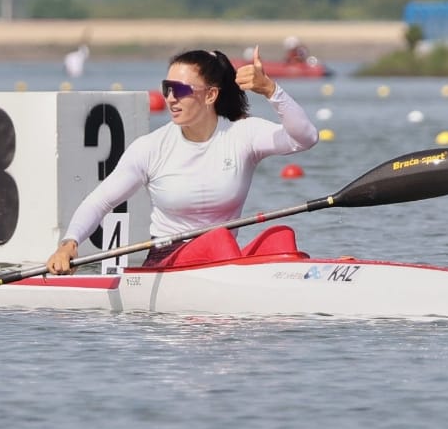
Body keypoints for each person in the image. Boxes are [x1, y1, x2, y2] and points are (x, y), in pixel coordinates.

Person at [46, 45, 318, 273]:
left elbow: (305, 138)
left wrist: (271, 90)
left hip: (223, 260)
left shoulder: (242, 134)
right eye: (167, 88)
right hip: (167, 263)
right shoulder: (151, 148)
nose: (170, 98)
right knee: (218, 238)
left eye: (181, 90)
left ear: (210, 95)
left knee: (281, 237)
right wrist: (69, 244)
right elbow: (100, 201)